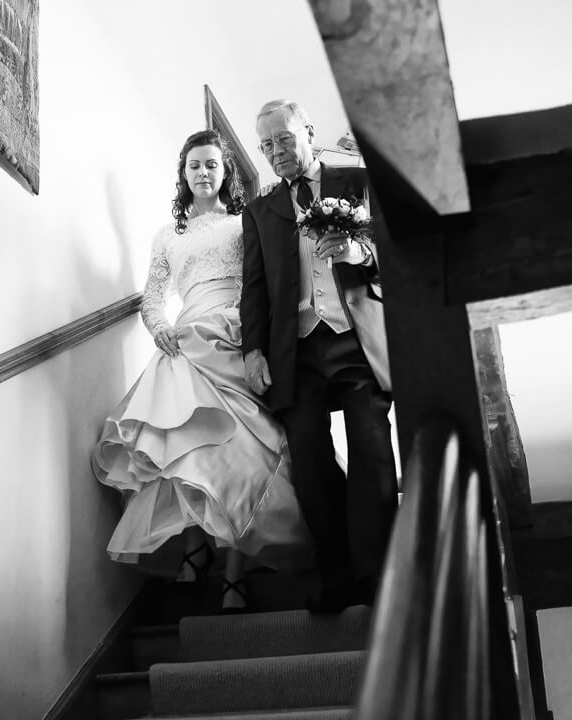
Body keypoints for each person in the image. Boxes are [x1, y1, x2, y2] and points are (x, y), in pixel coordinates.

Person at [92, 129, 311, 612]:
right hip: (186, 344)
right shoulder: (169, 236)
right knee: (187, 452)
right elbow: (152, 296)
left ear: (225, 172)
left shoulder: (242, 223)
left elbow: (262, 284)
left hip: (236, 340)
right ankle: (194, 553)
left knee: (237, 456)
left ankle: (233, 573)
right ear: (183, 173)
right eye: (195, 165)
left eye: (212, 164)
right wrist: (158, 326)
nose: (204, 173)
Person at [240, 99, 397, 613]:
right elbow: (255, 288)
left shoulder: (357, 181)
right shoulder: (260, 211)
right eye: (266, 145)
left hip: (355, 339)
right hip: (297, 351)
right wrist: (254, 349)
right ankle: (337, 577)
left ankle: (378, 575)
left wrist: (362, 254)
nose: (275, 152)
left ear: (308, 132)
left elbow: (398, 251)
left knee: (372, 450)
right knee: (309, 464)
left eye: (283, 139)